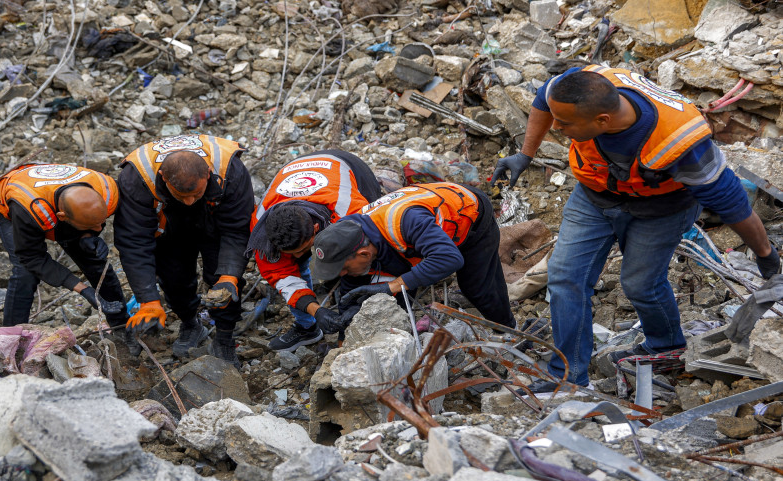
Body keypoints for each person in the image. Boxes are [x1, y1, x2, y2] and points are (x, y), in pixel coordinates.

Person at [491, 64, 781, 391]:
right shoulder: (576, 87)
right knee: (565, 277)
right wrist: (525, 154)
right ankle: (568, 378)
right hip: (594, 197)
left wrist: (765, 253)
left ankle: (665, 345)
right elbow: (545, 99)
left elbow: (732, 205)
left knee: (641, 284)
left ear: (602, 121)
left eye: (566, 123)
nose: (556, 128)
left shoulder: (681, 143)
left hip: (661, 209)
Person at [116, 135, 254, 367]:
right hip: (168, 219)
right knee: (173, 276)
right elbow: (134, 243)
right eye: (183, 195)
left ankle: (224, 338)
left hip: (215, 215)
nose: (189, 201)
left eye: (195, 194)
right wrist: (149, 300)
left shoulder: (229, 169)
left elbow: (237, 230)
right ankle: (191, 323)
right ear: (163, 177)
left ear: (208, 173)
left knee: (224, 280)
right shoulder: (136, 179)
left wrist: (229, 275)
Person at [309, 182, 515, 328]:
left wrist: (392, 286)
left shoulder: (405, 222)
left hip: (469, 215)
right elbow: (353, 286)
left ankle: (509, 331)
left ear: (363, 253)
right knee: (393, 283)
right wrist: (346, 322)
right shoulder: (352, 234)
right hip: (421, 220)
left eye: (343, 268)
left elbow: (450, 259)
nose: (342, 274)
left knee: (477, 287)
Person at [0, 163, 134, 348]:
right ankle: (8, 341)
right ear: (61, 217)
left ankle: (121, 326)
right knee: (25, 273)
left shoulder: (107, 189)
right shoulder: (28, 208)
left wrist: (89, 236)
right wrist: (84, 290)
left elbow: (96, 223)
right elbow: (32, 257)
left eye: (101, 223)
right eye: (93, 226)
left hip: (55, 200)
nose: (99, 228)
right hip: (8, 202)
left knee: (93, 259)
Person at [247, 150, 383, 351]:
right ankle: (306, 328)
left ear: (317, 229)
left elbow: (367, 257)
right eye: (289, 252)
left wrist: (352, 301)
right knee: (292, 267)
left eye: (302, 249)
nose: (295, 257)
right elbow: (282, 276)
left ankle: (356, 325)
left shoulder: (351, 213)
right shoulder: (262, 230)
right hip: (298, 168)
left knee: (353, 264)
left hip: (351, 168)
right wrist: (316, 310)